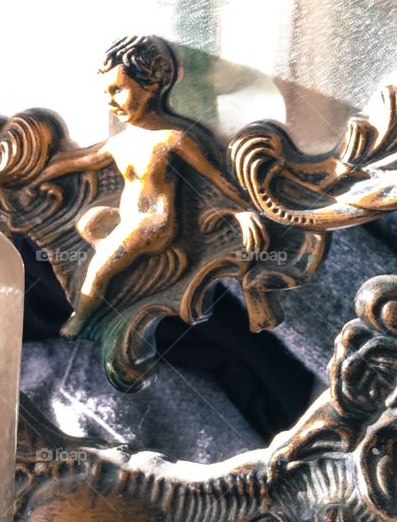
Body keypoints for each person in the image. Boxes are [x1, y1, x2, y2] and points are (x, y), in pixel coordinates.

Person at [40, 36, 268, 337]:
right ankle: (127, 268)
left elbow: (216, 177)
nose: (110, 100)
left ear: (150, 86)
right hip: (127, 218)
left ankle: (79, 322)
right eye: (106, 92)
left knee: (95, 273)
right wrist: (42, 172)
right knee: (88, 223)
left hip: (154, 226)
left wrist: (244, 210)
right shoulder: (120, 142)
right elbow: (81, 161)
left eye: (118, 90)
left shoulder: (171, 139)